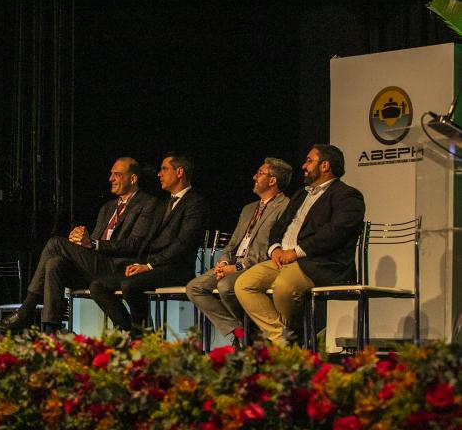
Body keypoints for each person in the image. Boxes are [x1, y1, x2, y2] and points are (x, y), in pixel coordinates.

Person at [0, 157, 157, 334]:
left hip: (117, 268)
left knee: (55, 243)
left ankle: (24, 311)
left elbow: (134, 244)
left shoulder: (147, 203)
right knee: (54, 263)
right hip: (95, 266)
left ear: (133, 178)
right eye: (111, 174)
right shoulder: (108, 207)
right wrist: (79, 239)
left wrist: (92, 243)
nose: (111, 179)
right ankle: (50, 331)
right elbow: (93, 242)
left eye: (117, 174)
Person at [234, 144, 365, 346]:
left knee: (284, 287)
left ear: (325, 166)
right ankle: (285, 340)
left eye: (309, 161)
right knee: (244, 284)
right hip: (282, 259)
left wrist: (296, 252)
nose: (304, 165)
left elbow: (335, 233)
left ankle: (287, 342)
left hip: (318, 262)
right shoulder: (301, 194)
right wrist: (275, 248)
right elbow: (278, 227)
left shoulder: (347, 195)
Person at [88, 152, 209, 336]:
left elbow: (183, 244)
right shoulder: (163, 204)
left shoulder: (195, 204)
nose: (159, 174)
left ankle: (141, 336)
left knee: (130, 286)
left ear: (180, 172)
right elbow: (148, 241)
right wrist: (137, 263)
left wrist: (149, 265)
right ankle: (129, 329)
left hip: (175, 269)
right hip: (153, 267)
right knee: (98, 285)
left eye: (164, 169)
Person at [185, 158, 291, 347]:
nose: (254, 177)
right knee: (194, 287)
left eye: (259, 173)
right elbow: (233, 243)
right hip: (233, 265)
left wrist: (238, 267)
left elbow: (269, 248)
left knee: (226, 286)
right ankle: (240, 331)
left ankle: (252, 332)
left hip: (256, 266)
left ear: (273, 180)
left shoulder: (285, 207)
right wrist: (224, 263)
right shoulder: (249, 209)